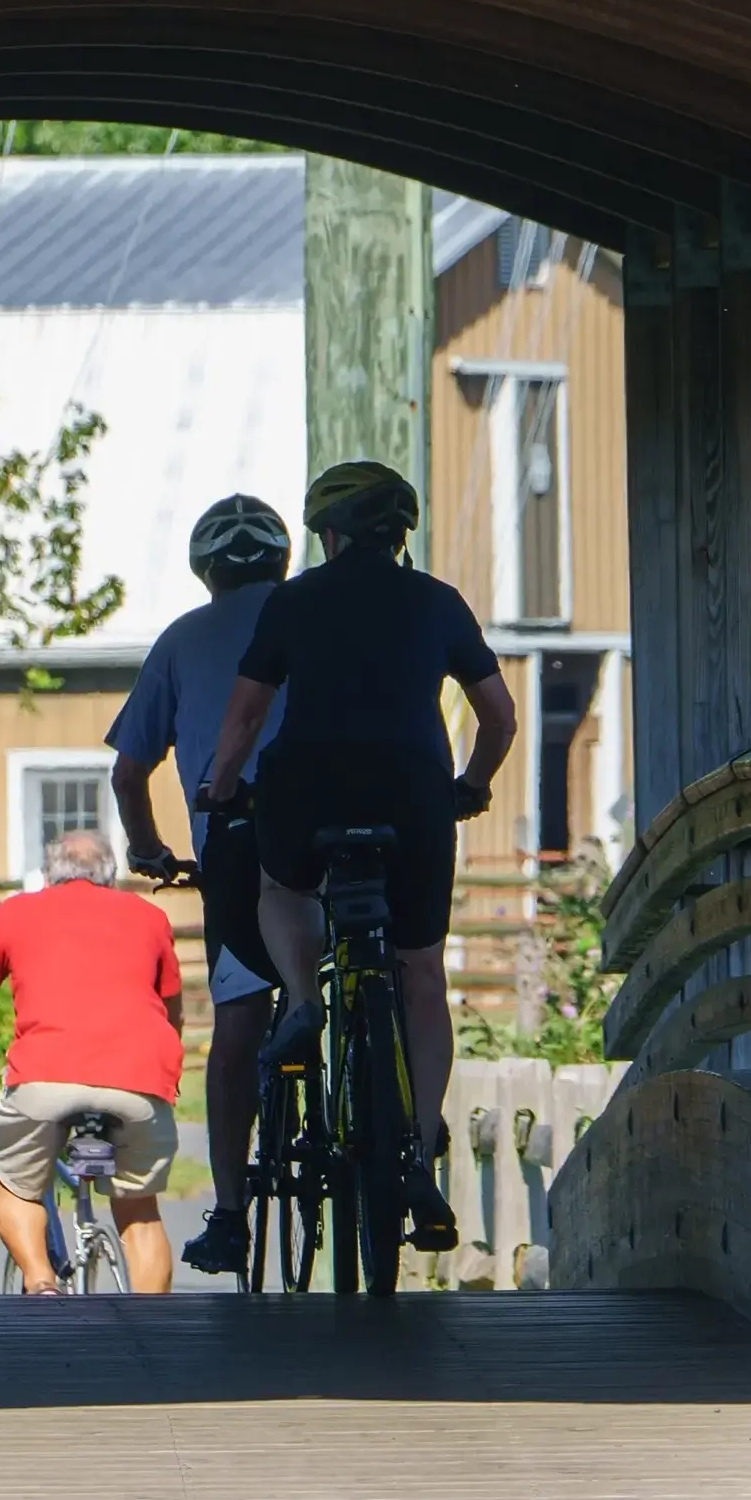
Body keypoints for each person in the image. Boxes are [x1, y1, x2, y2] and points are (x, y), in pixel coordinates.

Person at [201, 459, 517, 1256]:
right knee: (421, 971)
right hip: (413, 792)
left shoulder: (293, 601)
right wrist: (469, 786)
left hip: (309, 787)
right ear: (401, 533)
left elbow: (243, 719)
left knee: (281, 886)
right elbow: (499, 716)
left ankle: (305, 1002)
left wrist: (221, 786)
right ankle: (417, 1150)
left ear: (329, 534)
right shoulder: (439, 602)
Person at [106, 493, 293, 1278]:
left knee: (241, 1017)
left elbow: (129, 770)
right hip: (334, 825)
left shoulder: (182, 639)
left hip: (237, 847)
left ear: (205, 571)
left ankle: (228, 1213)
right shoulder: (317, 617)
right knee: (369, 963)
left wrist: (150, 848)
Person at [0, 827, 184, 1295]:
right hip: (140, 1083)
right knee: (140, 1212)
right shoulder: (149, 917)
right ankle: (152, 1333)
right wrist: (162, 1077)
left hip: (43, 1081)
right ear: (111, 875)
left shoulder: (16, 912)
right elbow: (171, 1014)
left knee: (8, 1178)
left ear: (49, 873)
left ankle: (40, 1281)